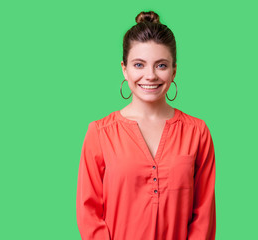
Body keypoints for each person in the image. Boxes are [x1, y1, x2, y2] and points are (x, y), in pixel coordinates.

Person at [76, 10, 216, 240]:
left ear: (174, 70)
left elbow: (204, 216)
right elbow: (88, 213)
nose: (149, 75)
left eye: (161, 65)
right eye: (139, 65)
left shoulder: (197, 132)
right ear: (124, 68)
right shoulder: (100, 133)